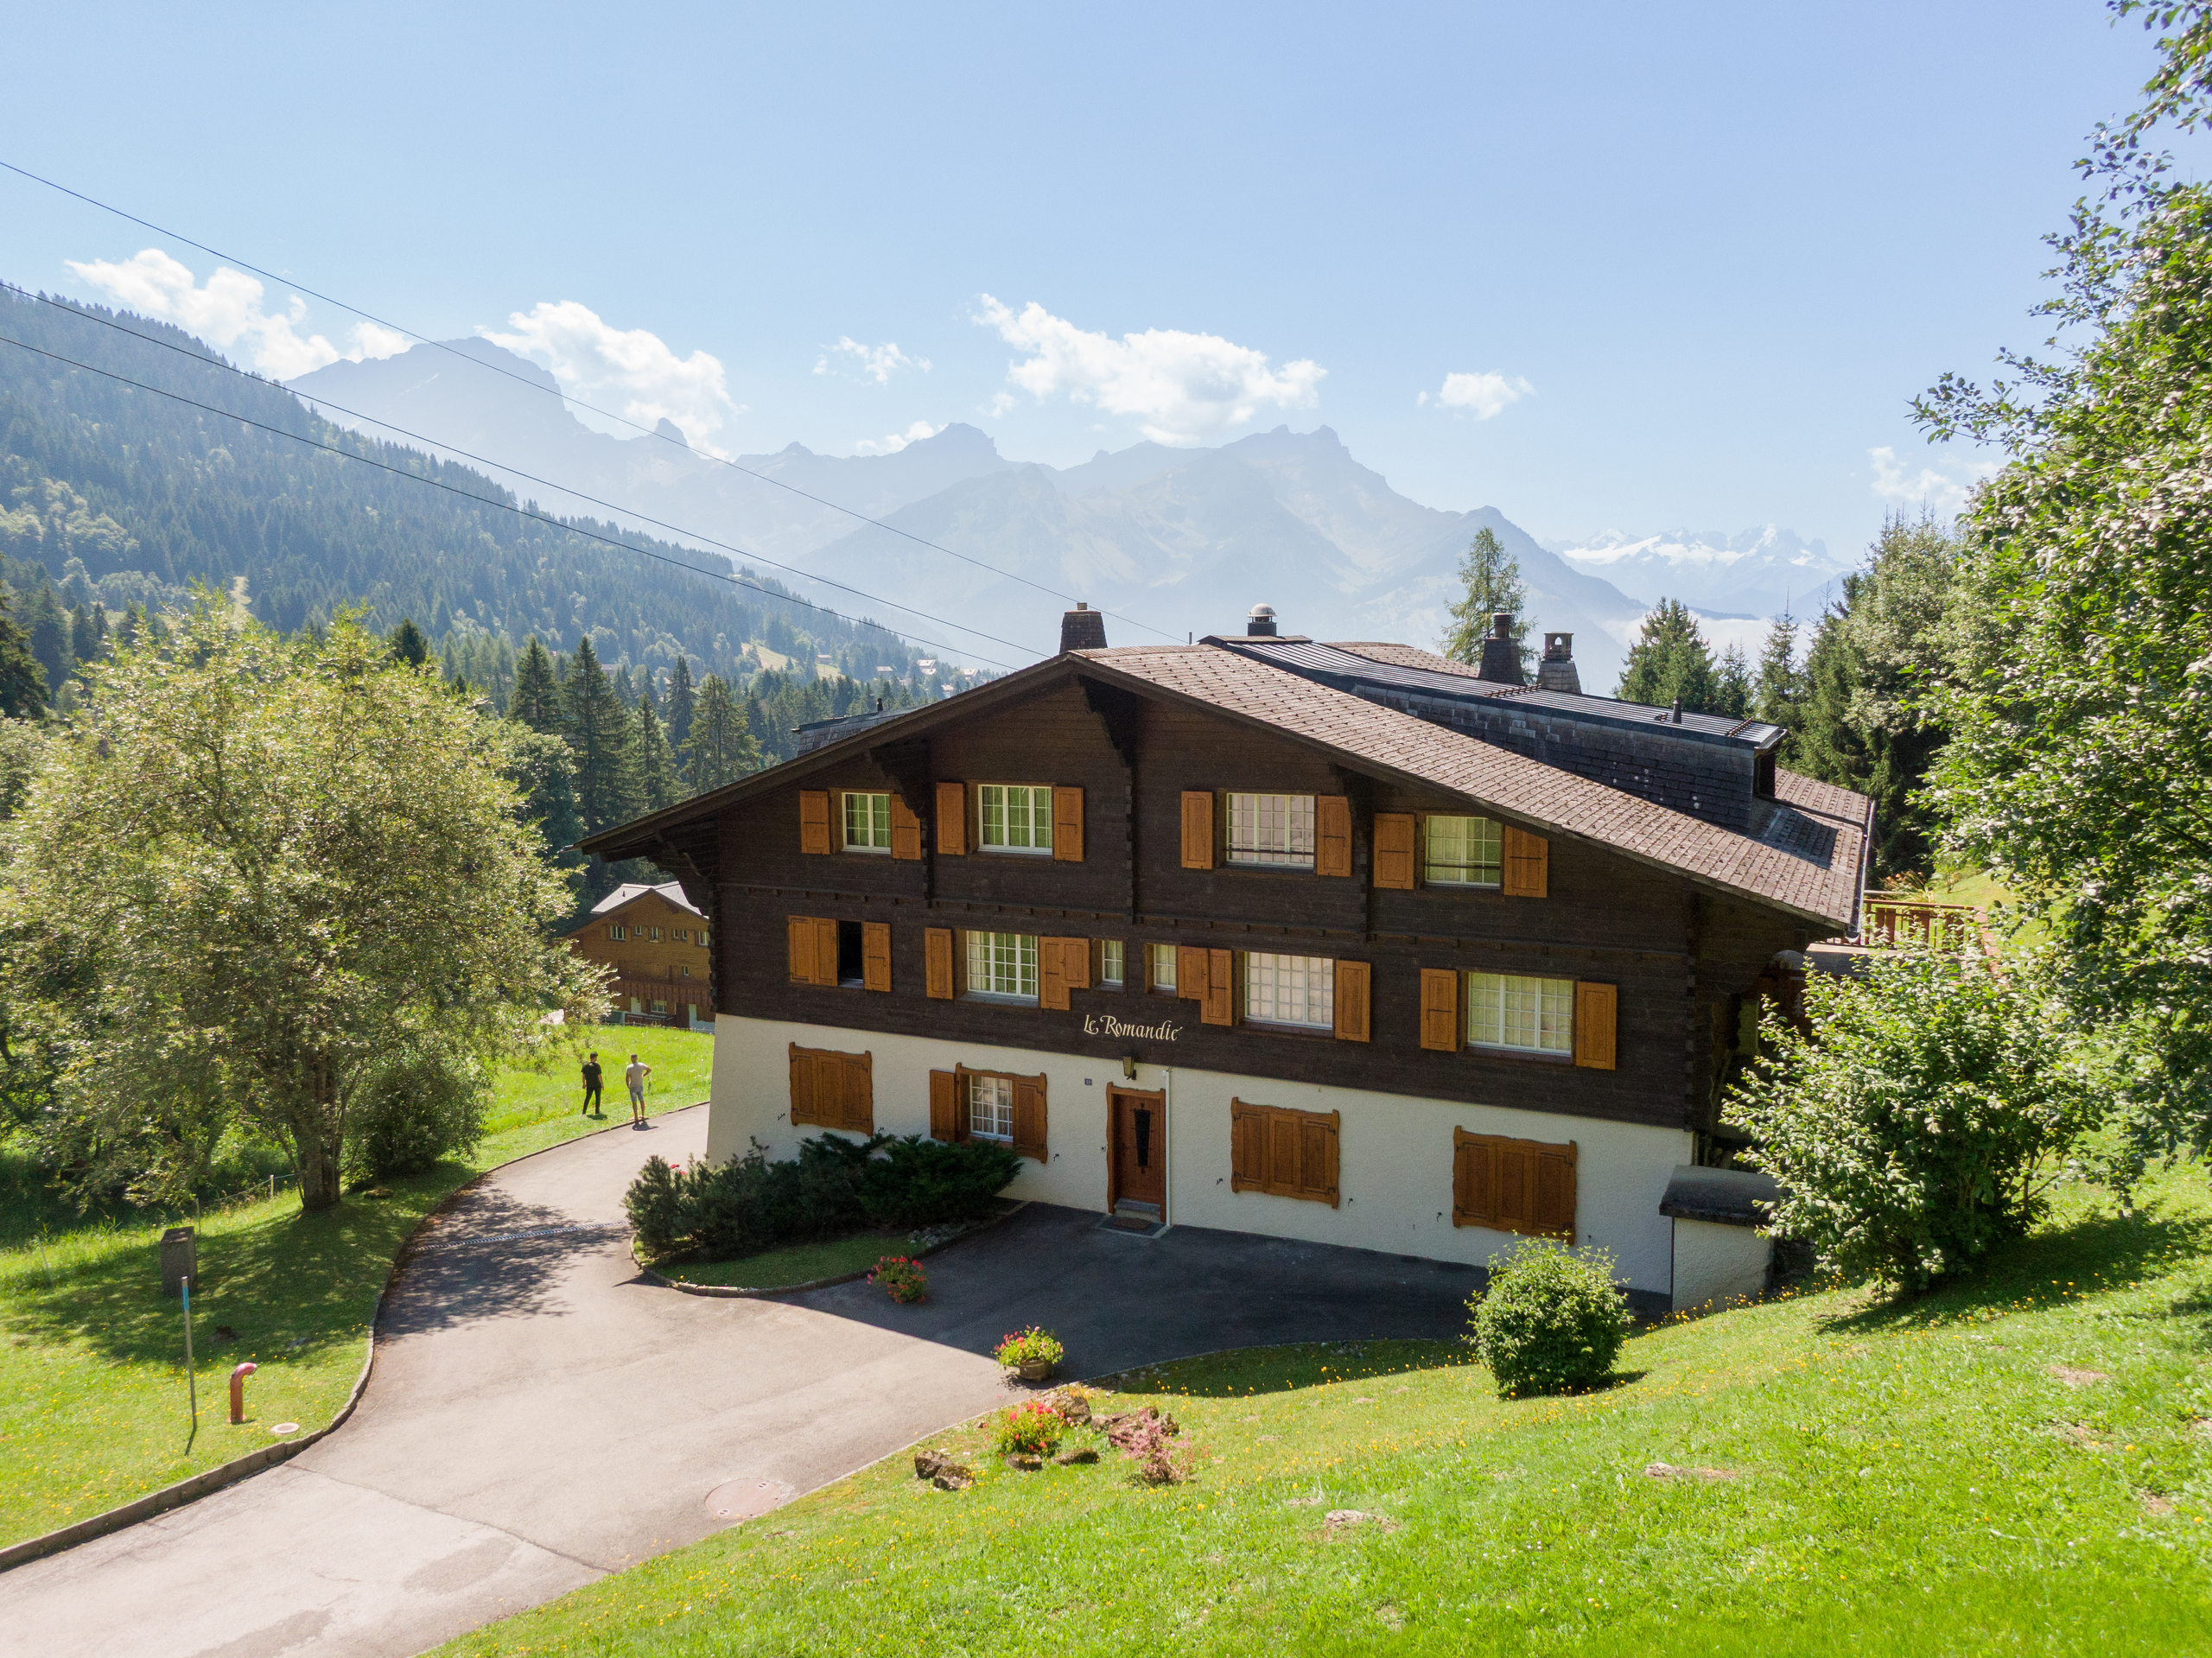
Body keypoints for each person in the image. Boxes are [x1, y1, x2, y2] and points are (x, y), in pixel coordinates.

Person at [625, 1051, 652, 1125]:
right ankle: (642, 1115)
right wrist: (643, 1075)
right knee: (641, 1100)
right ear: (637, 1058)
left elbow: (627, 1077)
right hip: (640, 1086)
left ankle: (636, 1117)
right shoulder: (641, 1065)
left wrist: (627, 1084)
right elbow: (649, 1069)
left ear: (631, 1059)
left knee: (634, 1102)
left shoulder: (629, 1067)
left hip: (633, 1086)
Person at [581, 1051, 603, 1116]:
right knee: (598, 1097)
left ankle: (584, 1111)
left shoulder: (585, 1065)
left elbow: (583, 1075)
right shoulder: (597, 1066)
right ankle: (597, 1111)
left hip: (589, 1084)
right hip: (597, 1084)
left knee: (587, 1097)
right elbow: (599, 1076)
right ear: (595, 1058)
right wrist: (602, 1084)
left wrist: (583, 1083)